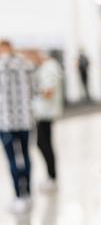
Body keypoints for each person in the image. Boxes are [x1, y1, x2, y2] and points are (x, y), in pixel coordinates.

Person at [0, 40, 36, 214]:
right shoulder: (26, 65)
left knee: (12, 159)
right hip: (25, 120)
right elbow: (34, 91)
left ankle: (18, 196)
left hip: (5, 122)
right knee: (26, 156)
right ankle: (28, 193)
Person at [28, 50, 63, 192]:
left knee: (44, 144)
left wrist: (33, 91)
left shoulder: (50, 67)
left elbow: (48, 92)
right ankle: (51, 176)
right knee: (43, 144)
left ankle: (52, 177)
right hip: (42, 113)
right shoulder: (45, 67)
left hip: (46, 114)